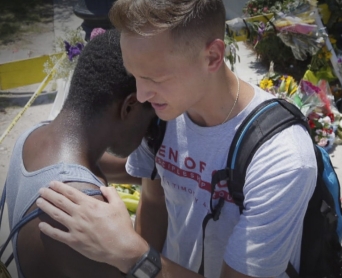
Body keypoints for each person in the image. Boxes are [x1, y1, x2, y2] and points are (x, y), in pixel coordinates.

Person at [36, 1, 318, 277]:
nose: (142, 95)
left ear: (212, 57)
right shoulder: (163, 117)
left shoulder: (282, 158)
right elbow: (155, 201)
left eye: (155, 79)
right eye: (135, 75)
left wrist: (132, 255)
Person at [5, 29, 156, 277]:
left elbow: (125, 167)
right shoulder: (82, 206)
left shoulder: (34, 137)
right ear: (129, 106)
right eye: (152, 119)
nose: (150, 133)